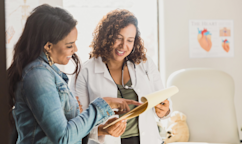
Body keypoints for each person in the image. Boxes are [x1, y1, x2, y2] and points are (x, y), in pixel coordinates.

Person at [7, 5, 141, 144]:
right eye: (70, 45)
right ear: (48, 46)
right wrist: (103, 105)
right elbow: (63, 138)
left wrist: (103, 129)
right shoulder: (38, 77)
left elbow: (67, 130)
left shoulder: (49, 72)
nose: (75, 49)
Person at [72, 9, 172, 144]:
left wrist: (164, 111)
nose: (123, 46)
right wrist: (103, 130)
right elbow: (76, 123)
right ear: (106, 37)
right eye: (118, 38)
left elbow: (163, 103)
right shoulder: (85, 71)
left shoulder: (144, 64)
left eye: (130, 40)